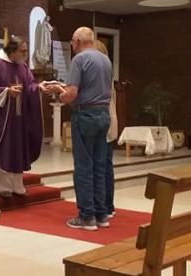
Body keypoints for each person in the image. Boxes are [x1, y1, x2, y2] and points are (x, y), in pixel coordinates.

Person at [52, 27, 112, 231]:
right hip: (104, 115)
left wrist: (60, 93)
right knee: (99, 166)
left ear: (76, 41)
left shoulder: (79, 60)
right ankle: (102, 214)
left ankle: (87, 216)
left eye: (72, 41)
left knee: (84, 168)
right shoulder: (105, 59)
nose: (72, 45)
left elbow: (72, 94)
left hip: (85, 116)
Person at [0, 36, 46, 197]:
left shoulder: (22, 66)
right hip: (0, 118)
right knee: (2, 148)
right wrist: (7, 92)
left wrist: (39, 88)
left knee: (16, 150)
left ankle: (15, 185)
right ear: (12, 50)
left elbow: (30, 86)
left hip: (18, 118)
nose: (26, 54)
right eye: (23, 51)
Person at [94, 39, 118, 220]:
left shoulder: (99, 74)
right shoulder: (107, 72)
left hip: (103, 120)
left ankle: (104, 205)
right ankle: (108, 205)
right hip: (109, 120)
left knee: (103, 167)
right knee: (106, 166)